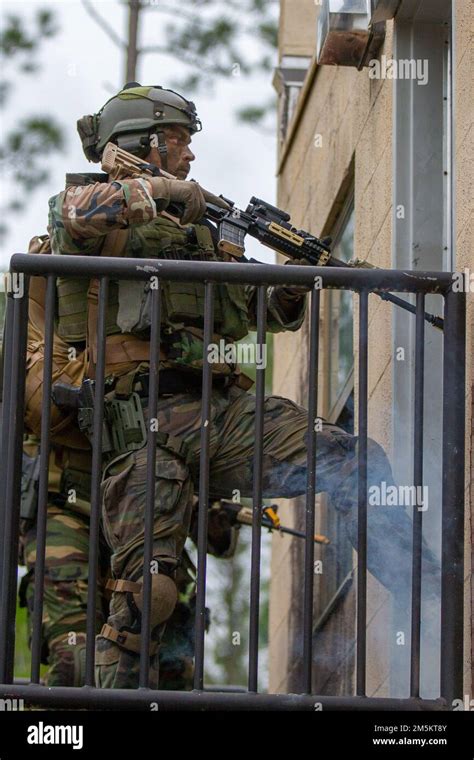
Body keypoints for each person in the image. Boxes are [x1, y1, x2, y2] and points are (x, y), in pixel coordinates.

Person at [47, 82, 439, 689]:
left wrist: (291, 280)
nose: (190, 157)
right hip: (136, 422)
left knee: (349, 460)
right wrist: (166, 191)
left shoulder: (198, 236)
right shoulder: (86, 208)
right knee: (144, 599)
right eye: (177, 142)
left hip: (217, 413)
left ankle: (433, 591)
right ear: (142, 144)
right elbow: (78, 213)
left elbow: (246, 314)